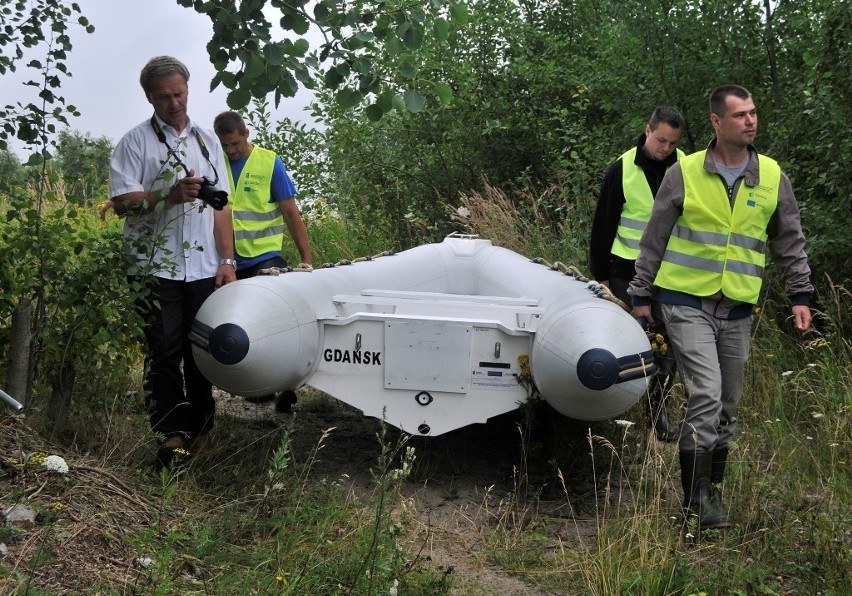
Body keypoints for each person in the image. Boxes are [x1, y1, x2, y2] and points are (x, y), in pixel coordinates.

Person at [629, 84, 813, 529]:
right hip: (684, 301)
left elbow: (788, 238)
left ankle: (710, 494)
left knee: (727, 403)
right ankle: (693, 506)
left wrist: (800, 294)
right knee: (707, 394)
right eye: (740, 115)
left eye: (753, 113)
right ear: (717, 121)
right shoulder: (685, 172)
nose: (750, 121)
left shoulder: (771, 176)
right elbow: (654, 235)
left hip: (738, 309)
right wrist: (640, 293)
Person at [109, 56, 236, 469]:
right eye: (164, 96)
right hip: (153, 266)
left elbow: (221, 206)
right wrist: (168, 195)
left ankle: (202, 430)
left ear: (188, 89)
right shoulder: (134, 142)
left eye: (179, 93)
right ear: (149, 97)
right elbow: (121, 203)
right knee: (164, 352)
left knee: (201, 350)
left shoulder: (206, 140)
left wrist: (228, 259)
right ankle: (171, 435)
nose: (174, 103)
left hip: (202, 266)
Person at [589, 106, 685, 442]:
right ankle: (615, 410)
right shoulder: (623, 168)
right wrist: (600, 277)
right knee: (628, 341)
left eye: (672, 143)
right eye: (661, 140)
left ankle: (657, 414)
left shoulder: (686, 166)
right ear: (648, 130)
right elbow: (603, 225)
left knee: (665, 345)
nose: (665, 148)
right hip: (625, 272)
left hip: (672, 272)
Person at [213, 110, 313, 411]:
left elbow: (290, 212)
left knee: (276, 325)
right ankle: (256, 388)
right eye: (224, 145)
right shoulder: (214, 162)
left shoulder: (270, 162)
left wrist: (306, 257)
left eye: (234, 144)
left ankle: (287, 389)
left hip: (265, 257)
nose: (230, 151)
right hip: (226, 260)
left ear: (246, 133)